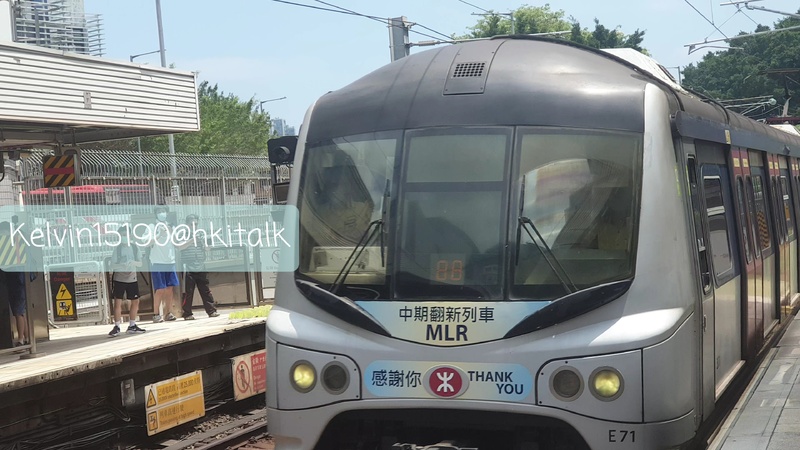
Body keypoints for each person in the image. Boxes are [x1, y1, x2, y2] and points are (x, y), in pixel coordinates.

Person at [179, 214, 219, 320]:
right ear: (186, 224)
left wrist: (207, 246)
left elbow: (205, 248)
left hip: (200, 265)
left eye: (196, 224)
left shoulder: (201, 234)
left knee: (205, 290)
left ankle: (211, 311)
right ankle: (187, 313)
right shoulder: (182, 234)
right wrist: (192, 240)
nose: (194, 226)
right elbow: (180, 246)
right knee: (188, 292)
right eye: (191, 224)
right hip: (188, 267)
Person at [108, 227, 146, 337]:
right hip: (119, 279)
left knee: (135, 301)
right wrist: (121, 265)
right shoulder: (117, 249)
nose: (124, 237)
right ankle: (117, 326)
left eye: (126, 235)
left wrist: (133, 262)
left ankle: (132, 325)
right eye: (122, 235)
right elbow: (112, 265)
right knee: (118, 302)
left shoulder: (135, 247)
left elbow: (140, 263)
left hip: (132, 278)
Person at [0, 221, 28, 348]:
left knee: (18, 312)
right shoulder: (17, 242)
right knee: (21, 312)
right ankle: (27, 338)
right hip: (19, 279)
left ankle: (21, 339)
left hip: (14, 281)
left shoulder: (8, 245)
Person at [148, 206, 178, 323]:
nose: (162, 213)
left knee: (170, 288)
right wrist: (159, 234)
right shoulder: (152, 227)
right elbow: (147, 242)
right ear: (156, 214)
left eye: (164, 211)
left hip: (170, 261)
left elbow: (176, 241)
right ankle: (156, 314)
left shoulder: (171, 226)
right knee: (160, 289)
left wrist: (171, 232)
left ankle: (168, 313)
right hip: (157, 262)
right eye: (159, 212)